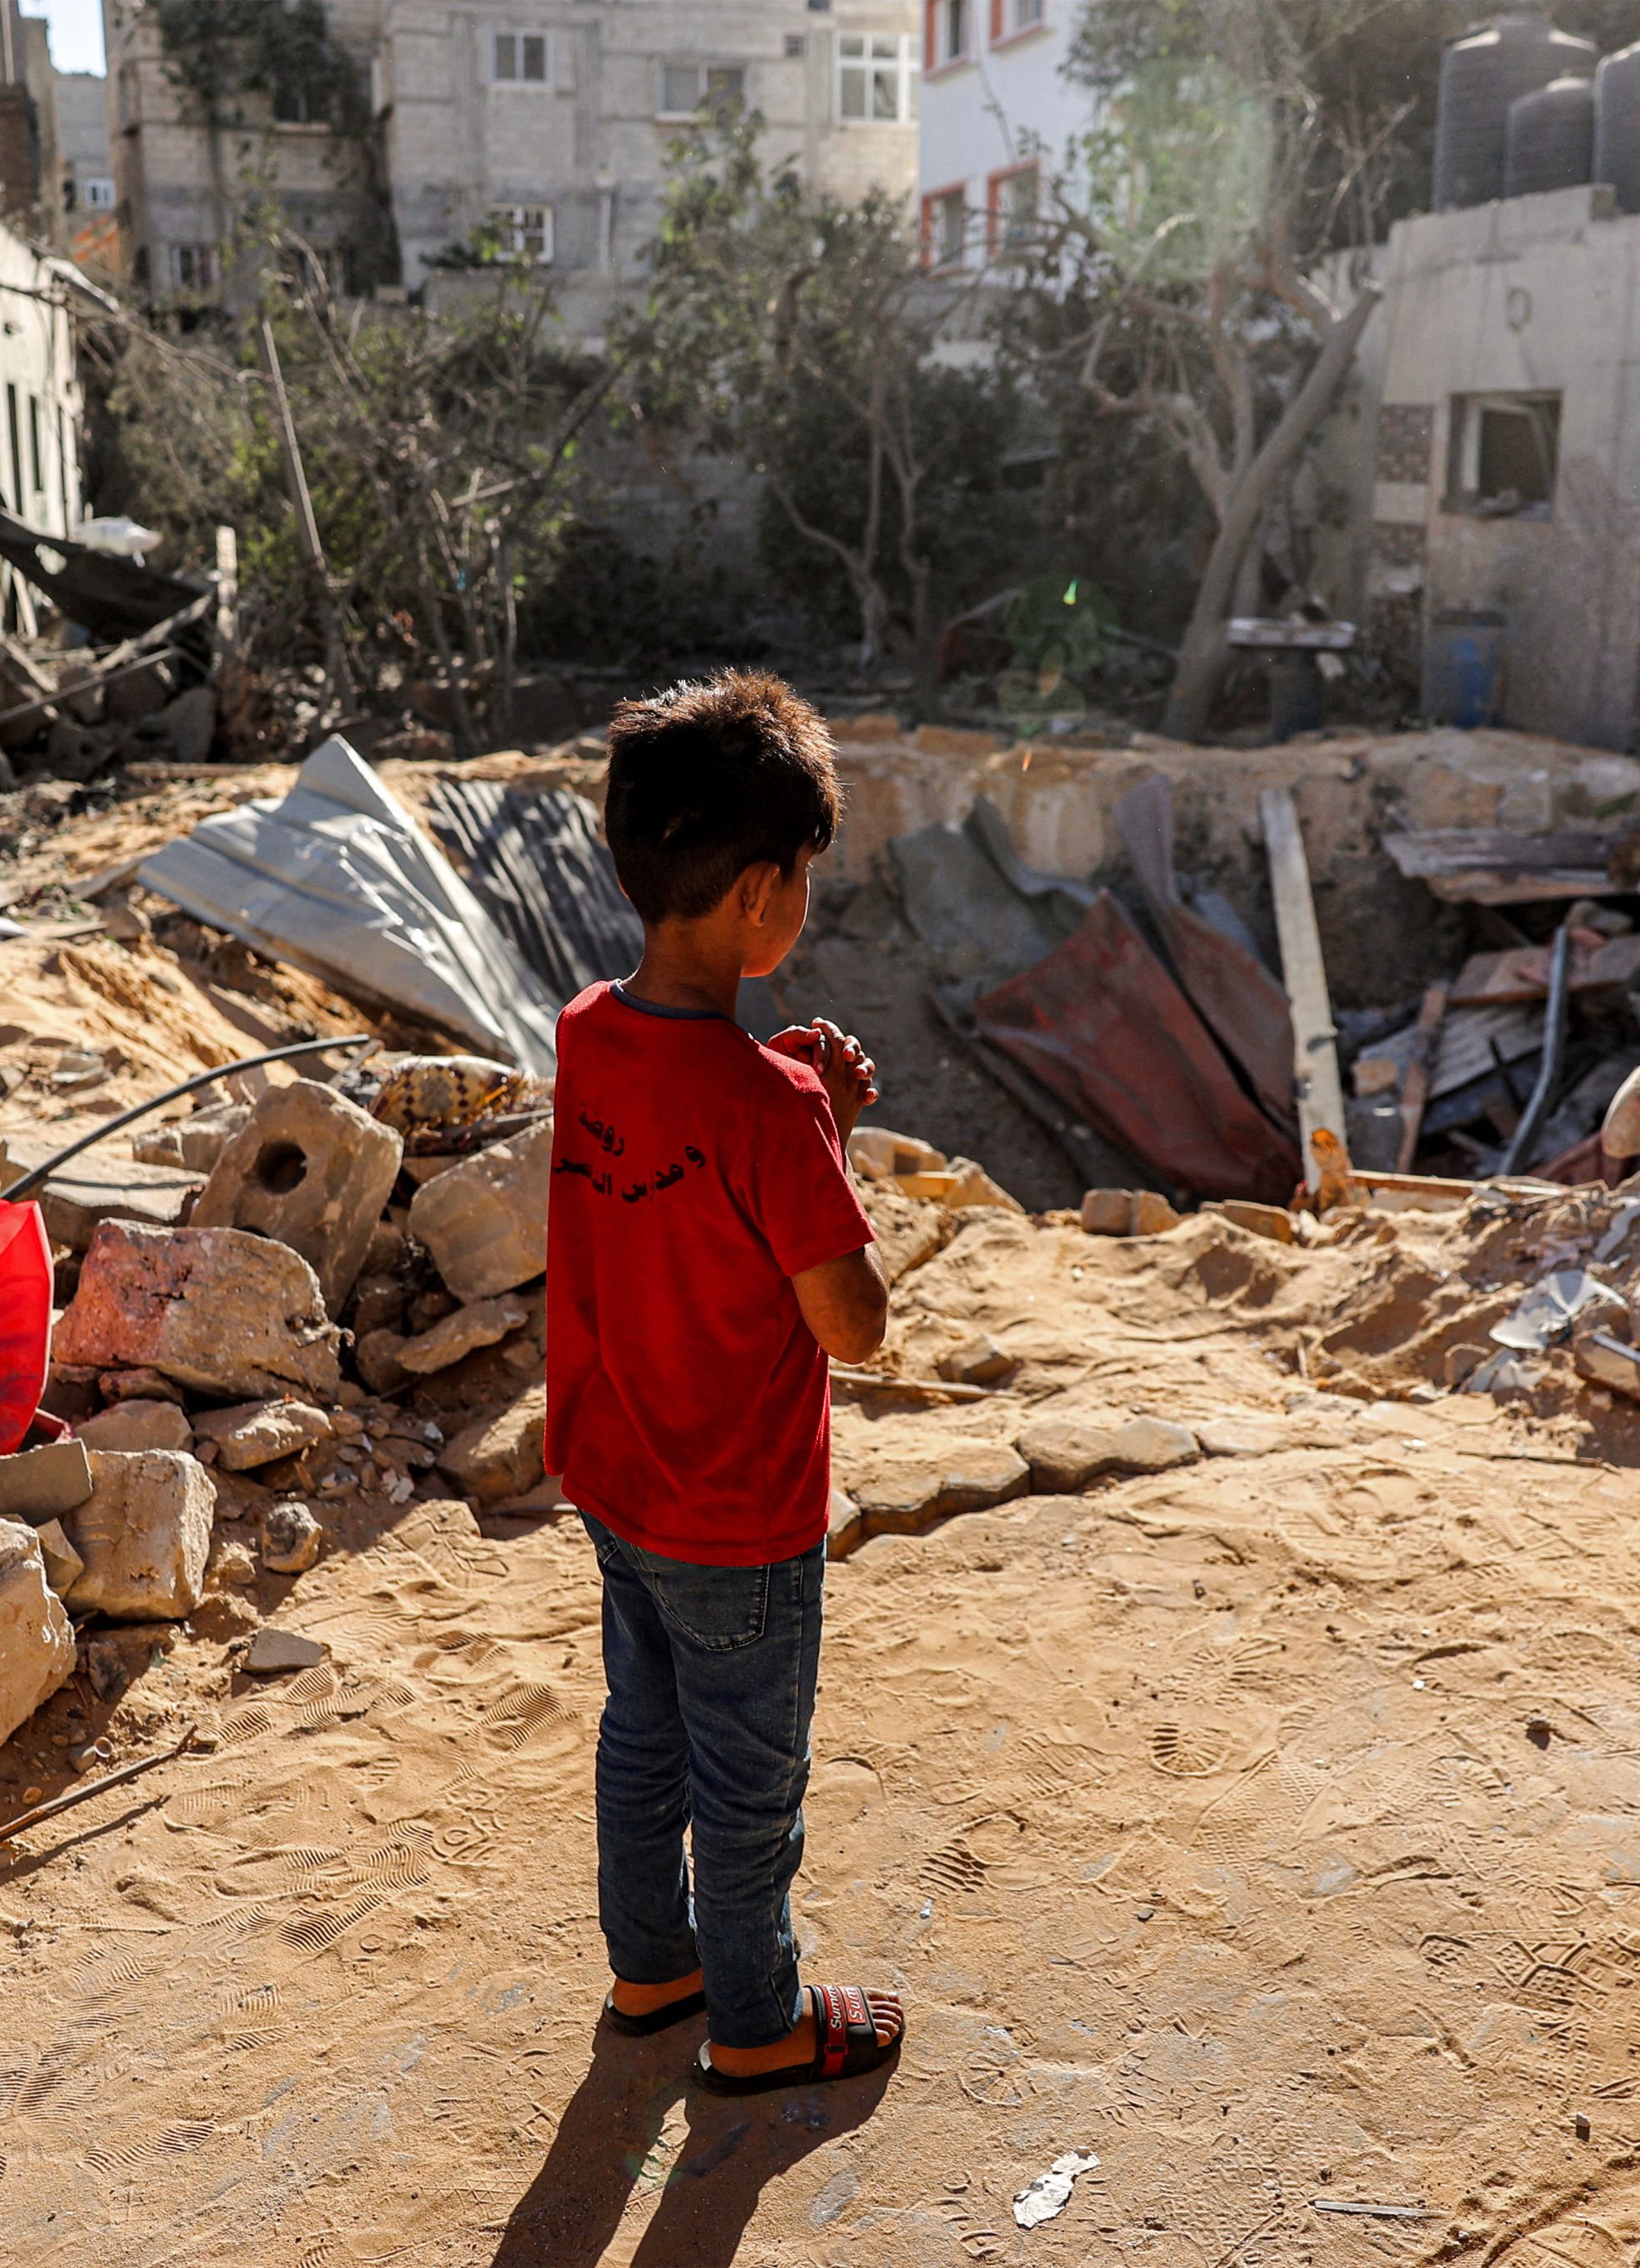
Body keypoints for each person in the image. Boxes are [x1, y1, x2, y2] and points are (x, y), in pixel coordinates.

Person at [545, 669, 908, 2094]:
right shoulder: (773, 1107)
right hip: (740, 1517)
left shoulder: (585, 1029)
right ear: (764, 895)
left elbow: (673, 1156)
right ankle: (759, 2021)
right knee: (748, 1789)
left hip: (617, 1479)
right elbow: (853, 1325)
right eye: (804, 877)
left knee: (643, 1734)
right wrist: (822, 1126)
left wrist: (796, 1100)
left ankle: (655, 1965)